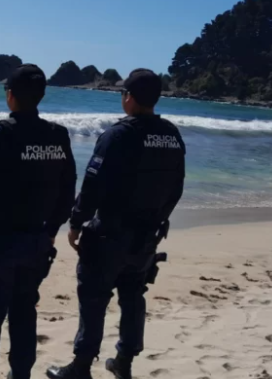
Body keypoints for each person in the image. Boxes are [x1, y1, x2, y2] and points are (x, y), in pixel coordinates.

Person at [46, 69, 186, 379]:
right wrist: (157, 219)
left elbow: (93, 185)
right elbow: (176, 188)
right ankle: (124, 361)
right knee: (133, 297)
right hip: (147, 236)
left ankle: (81, 366)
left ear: (129, 99)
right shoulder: (172, 136)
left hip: (111, 234)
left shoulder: (118, 135)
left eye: (123, 93)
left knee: (94, 298)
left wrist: (75, 222)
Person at [0, 64, 77, 379]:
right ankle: (20, 375)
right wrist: (51, 230)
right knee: (24, 313)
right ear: (41, 95)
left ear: (10, 95)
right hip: (36, 243)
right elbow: (68, 189)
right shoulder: (57, 136)